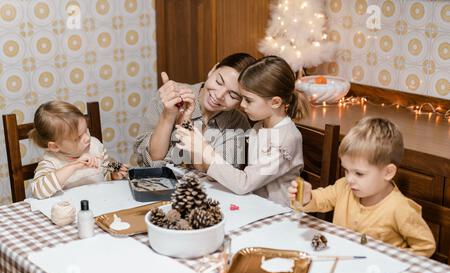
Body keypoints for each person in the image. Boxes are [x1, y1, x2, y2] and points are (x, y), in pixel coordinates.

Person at [288, 117, 436, 257]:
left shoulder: (400, 208)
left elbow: (426, 246)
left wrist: (392, 260)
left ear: (388, 172)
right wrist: (307, 198)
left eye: (359, 173)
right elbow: (321, 200)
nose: (349, 179)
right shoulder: (344, 187)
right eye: (346, 170)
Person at [176, 55, 310, 207]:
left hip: (280, 214)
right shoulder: (259, 127)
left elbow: (244, 183)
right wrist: (188, 123)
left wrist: (206, 150)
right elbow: (228, 172)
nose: (242, 105)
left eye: (248, 100)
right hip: (255, 207)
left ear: (275, 102)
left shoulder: (285, 139)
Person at [133, 52, 257, 171]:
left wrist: (186, 126)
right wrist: (168, 115)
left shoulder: (238, 123)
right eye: (219, 82)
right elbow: (151, 161)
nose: (219, 95)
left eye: (233, 95)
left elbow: (221, 173)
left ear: (242, 101)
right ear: (213, 70)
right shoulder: (170, 95)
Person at [29, 101, 128, 199]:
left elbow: (104, 175)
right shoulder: (51, 161)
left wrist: (113, 175)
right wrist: (75, 165)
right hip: (70, 210)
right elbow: (38, 191)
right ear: (55, 147)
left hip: (98, 203)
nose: (87, 138)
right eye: (78, 138)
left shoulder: (95, 146)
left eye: (86, 130)